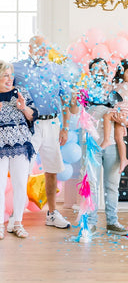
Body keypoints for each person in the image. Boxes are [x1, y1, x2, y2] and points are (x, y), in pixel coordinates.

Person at [13, 35, 71, 229]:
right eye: (38, 48)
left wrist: (66, 127)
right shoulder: (17, 68)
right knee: (22, 170)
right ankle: (17, 216)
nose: (42, 51)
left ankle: (52, 214)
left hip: (53, 124)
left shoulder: (56, 69)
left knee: (52, 170)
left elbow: (66, 100)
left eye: (45, 48)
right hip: (29, 125)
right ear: (29, 48)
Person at [70, 58, 128, 236]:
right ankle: (92, 222)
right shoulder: (85, 91)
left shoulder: (114, 90)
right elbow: (74, 111)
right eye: (96, 68)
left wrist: (122, 118)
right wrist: (74, 100)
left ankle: (112, 222)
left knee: (112, 184)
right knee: (92, 184)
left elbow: (125, 116)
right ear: (91, 72)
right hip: (90, 142)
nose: (100, 71)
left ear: (107, 71)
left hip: (112, 141)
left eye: (103, 68)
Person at [0, 60, 38, 239]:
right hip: (0, 147)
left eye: (11, 75)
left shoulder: (20, 92)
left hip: (21, 145)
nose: (9, 79)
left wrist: (23, 108)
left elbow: (33, 116)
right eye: (5, 75)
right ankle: (0, 225)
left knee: (20, 184)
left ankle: (17, 223)